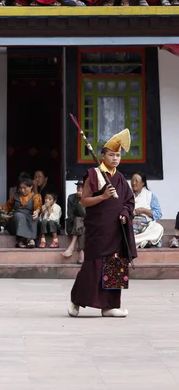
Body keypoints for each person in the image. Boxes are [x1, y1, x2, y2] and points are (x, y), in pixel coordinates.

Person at [68, 128, 137, 318]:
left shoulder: (121, 178)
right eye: (111, 155)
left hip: (116, 230)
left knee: (116, 265)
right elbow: (84, 201)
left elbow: (129, 201)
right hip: (99, 231)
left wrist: (124, 213)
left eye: (118, 155)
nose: (115, 158)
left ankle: (110, 306)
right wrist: (104, 196)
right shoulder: (94, 175)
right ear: (103, 156)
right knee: (92, 268)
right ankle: (76, 301)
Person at [0, 177, 42, 248]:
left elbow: (38, 208)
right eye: (20, 188)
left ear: (31, 187)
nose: (22, 190)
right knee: (19, 215)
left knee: (34, 218)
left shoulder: (36, 196)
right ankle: (29, 239)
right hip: (16, 221)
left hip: (29, 219)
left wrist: (37, 212)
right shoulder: (15, 196)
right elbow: (7, 206)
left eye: (25, 188)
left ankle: (22, 240)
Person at [131, 172, 164, 248]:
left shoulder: (150, 195)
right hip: (132, 226)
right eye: (132, 180)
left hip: (146, 227)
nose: (133, 183)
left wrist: (143, 210)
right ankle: (144, 242)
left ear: (143, 183)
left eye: (136, 181)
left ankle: (136, 241)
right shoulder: (127, 195)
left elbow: (158, 213)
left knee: (158, 228)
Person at [62, 180, 86, 264]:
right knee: (78, 220)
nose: (79, 188)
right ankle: (80, 252)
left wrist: (82, 200)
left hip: (86, 225)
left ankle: (72, 247)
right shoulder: (71, 197)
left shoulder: (90, 198)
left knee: (80, 222)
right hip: (72, 225)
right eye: (78, 186)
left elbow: (87, 216)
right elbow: (70, 215)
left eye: (82, 187)